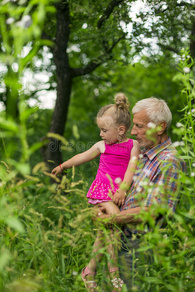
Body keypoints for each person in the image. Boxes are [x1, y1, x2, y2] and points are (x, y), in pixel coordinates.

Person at [94, 97, 187, 291]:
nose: (133, 131)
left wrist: (112, 219)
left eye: (139, 126)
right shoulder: (142, 154)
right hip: (118, 241)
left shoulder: (169, 161)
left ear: (160, 127)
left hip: (139, 249)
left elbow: (154, 211)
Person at [51, 93, 140, 291]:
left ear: (121, 130)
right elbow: (82, 156)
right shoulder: (102, 145)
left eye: (104, 130)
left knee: (104, 234)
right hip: (102, 193)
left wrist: (123, 190)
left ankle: (89, 272)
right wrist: (63, 165)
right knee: (115, 223)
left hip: (119, 194)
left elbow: (131, 168)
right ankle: (114, 272)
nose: (100, 134)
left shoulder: (133, 145)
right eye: (100, 130)